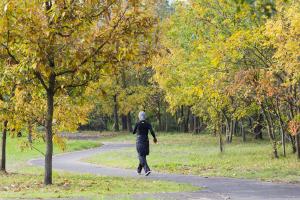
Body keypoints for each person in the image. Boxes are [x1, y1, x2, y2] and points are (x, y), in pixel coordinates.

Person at [133, 111, 157, 176]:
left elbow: (133, 132)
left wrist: (137, 128)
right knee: (142, 155)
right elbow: (152, 131)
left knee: (140, 155)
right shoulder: (148, 123)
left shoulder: (137, 123)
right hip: (146, 141)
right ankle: (139, 170)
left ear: (139, 116)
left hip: (139, 140)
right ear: (145, 116)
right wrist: (154, 138)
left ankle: (147, 170)